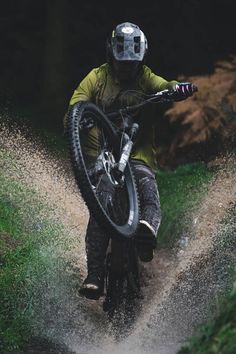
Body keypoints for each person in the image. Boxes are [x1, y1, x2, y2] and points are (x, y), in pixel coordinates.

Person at [65, 22, 196, 299]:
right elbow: (76, 103)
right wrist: (77, 119)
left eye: (132, 64)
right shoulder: (97, 77)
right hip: (104, 157)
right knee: (101, 200)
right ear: (111, 56)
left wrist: (176, 89)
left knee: (146, 184)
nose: (126, 68)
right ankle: (95, 273)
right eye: (121, 63)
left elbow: (164, 85)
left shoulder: (146, 77)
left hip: (137, 155)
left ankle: (146, 229)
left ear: (141, 60)